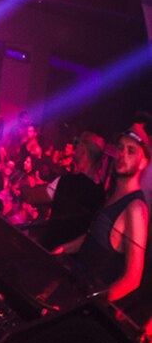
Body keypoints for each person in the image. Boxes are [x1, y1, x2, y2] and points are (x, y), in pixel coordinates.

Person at [58, 125, 149, 307]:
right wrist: (63, 249)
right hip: (74, 289)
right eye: (120, 148)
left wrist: (93, 305)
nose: (122, 154)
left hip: (84, 307)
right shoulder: (114, 195)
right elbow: (94, 238)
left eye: (131, 151)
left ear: (143, 163)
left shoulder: (136, 208)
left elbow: (132, 279)